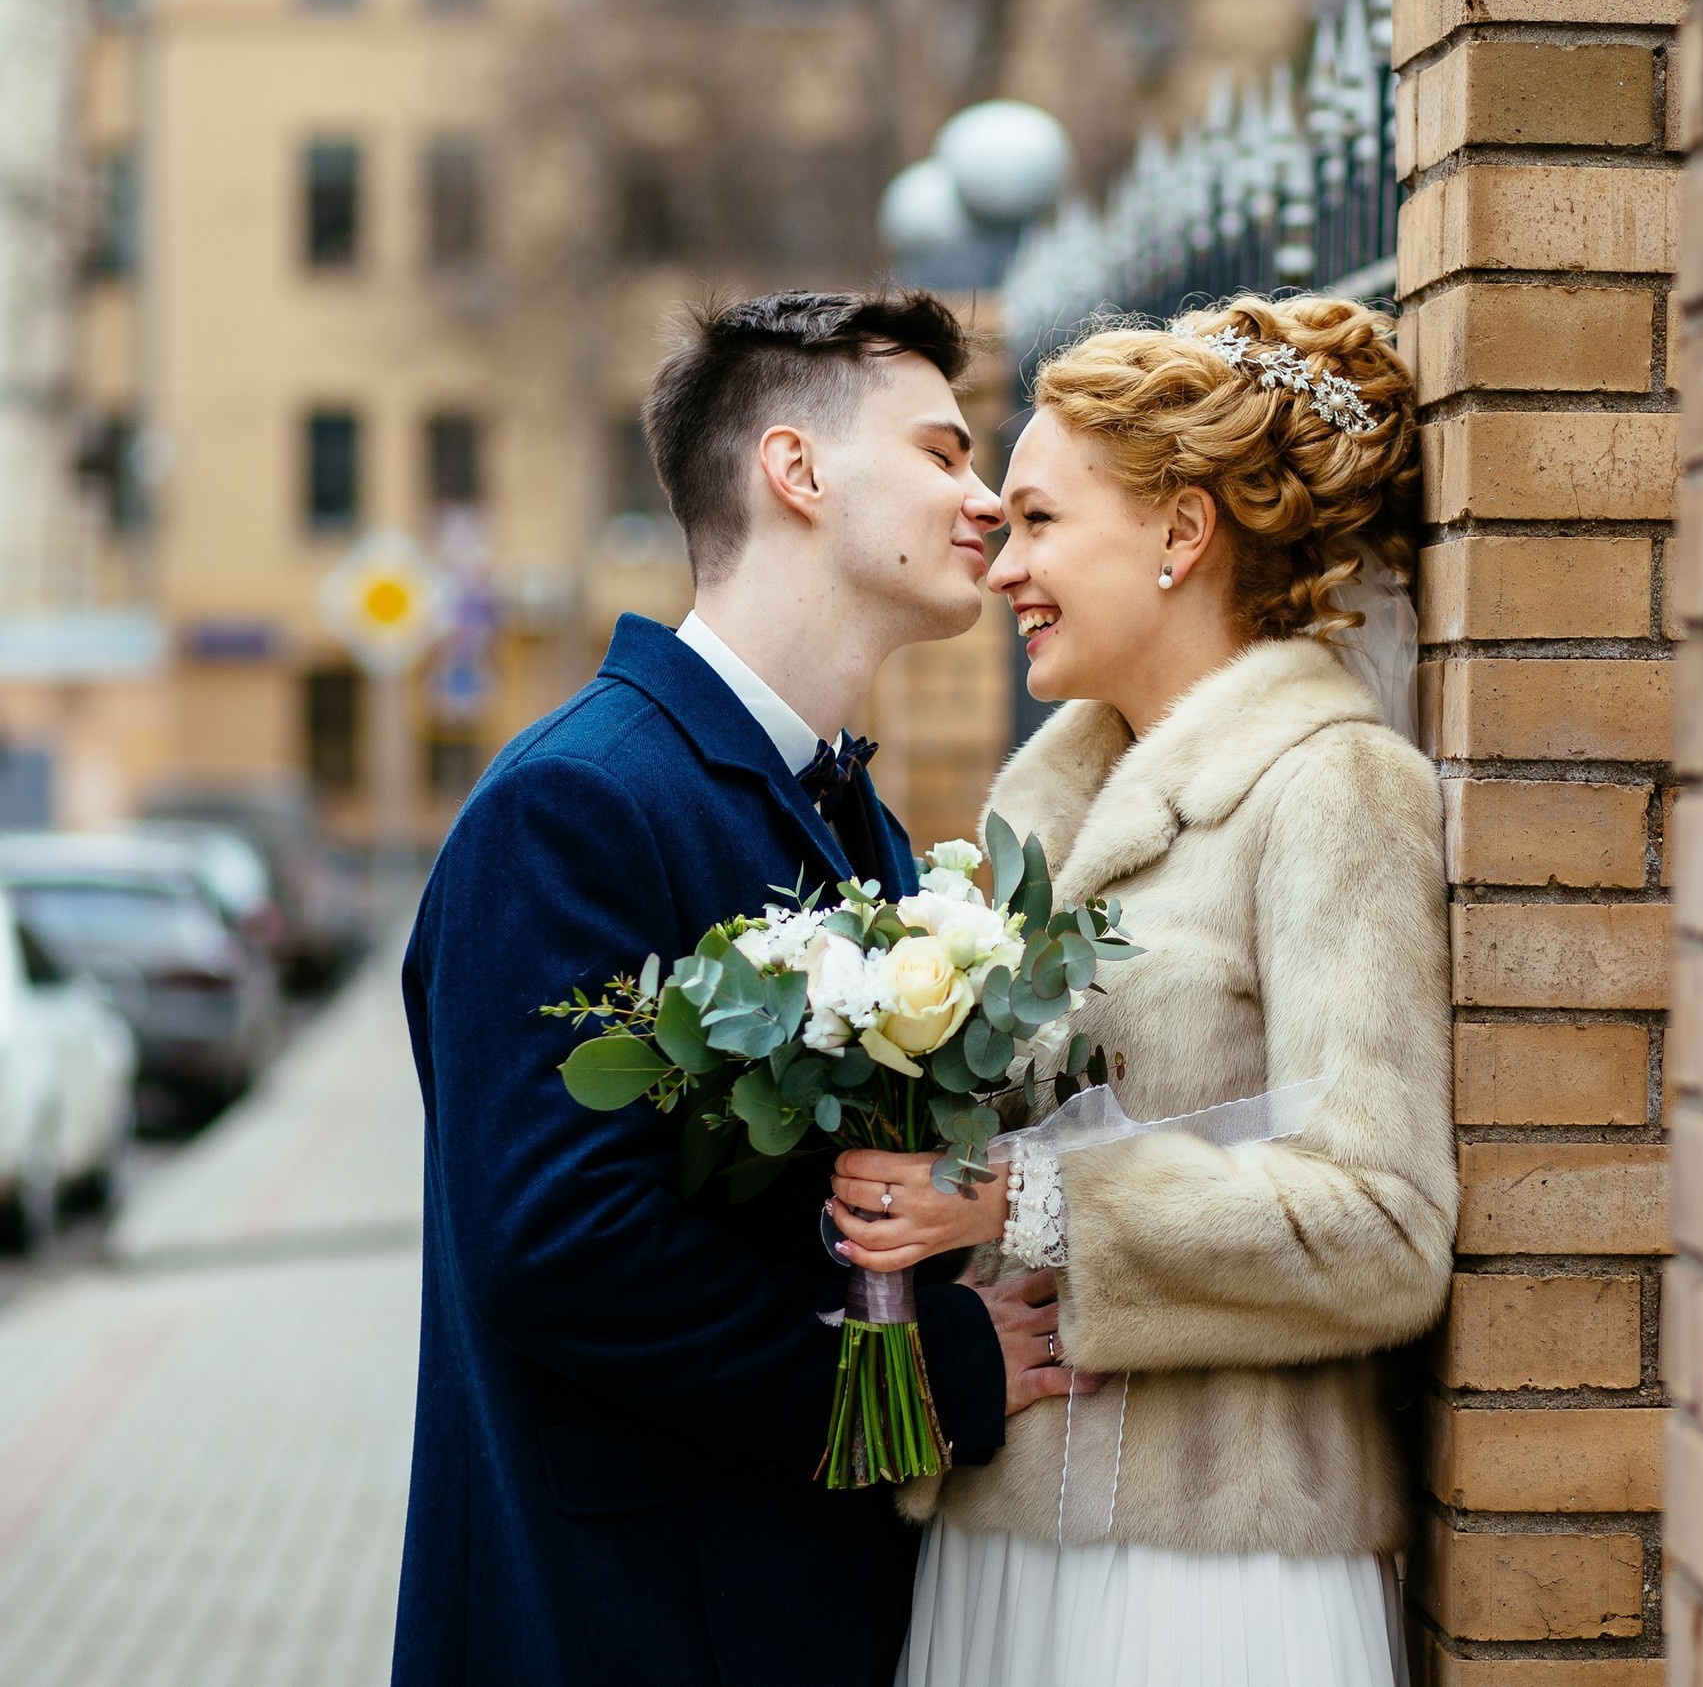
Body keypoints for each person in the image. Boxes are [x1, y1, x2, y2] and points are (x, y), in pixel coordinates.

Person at [393, 290, 1081, 1687]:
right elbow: (563, 1252)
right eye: (945, 453)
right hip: (624, 1617)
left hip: (797, 1600)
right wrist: (931, 1383)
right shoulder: (578, 803)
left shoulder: (855, 820)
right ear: (796, 469)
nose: (989, 499)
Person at [827, 294, 1456, 1687]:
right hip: (1001, 1552)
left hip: (1211, 1583)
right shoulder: (1036, 820)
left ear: (1183, 533)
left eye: (1043, 523)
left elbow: (1387, 1227)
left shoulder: (1328, 789)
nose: (1003, 567)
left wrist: (1026, 1201)